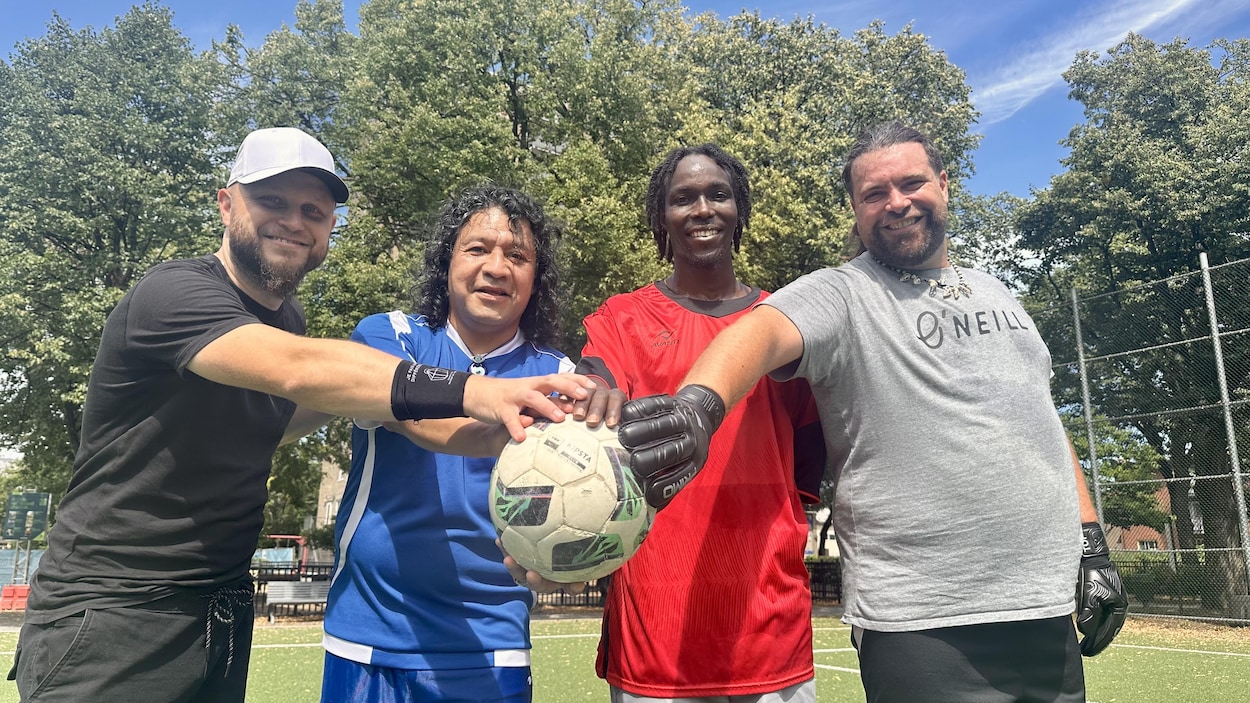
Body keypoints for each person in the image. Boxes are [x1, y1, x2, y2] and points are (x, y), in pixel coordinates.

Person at [9, 128, 593, 703]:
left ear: (329, 227)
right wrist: (481, 393)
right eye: (272, 201)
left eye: (313, 209)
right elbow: (301, 372)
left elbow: (305, 409)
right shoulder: (174, 293)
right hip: (117, 607)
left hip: (221, 606)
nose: (294, 220)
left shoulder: (288, 319)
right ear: (226, 201)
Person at [617, 123, 1129, 703]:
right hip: (921, 624)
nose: (897, 203)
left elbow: (1040, 421)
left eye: (912, 183)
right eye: (874, 194)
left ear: (944, 184)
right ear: (856, 211)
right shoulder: (842, 292)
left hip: (1044, 611)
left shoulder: (998, 292)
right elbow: (754, 334)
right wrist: (699, 405)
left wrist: (1092, 542)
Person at [567, 144, 826, 702]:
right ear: (662, 219)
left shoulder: (785, 326)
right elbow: (590, 392)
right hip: (654, 634)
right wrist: (593, 399)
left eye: (718, 195)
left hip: (769, 626)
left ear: (740, 209)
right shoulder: (622, 319)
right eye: (683, 199)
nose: (702, 208)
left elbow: (807, 467)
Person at [319, 185, 575, 703]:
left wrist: (564, 565)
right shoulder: (388, 336)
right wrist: (503, 424)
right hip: (370, 633)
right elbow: (409, 416)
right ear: (447, 261)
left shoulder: (558, 376)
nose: (497, 267)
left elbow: (575, 502)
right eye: (478, 248)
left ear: (535, 280)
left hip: (492, 644)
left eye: (518, 256)